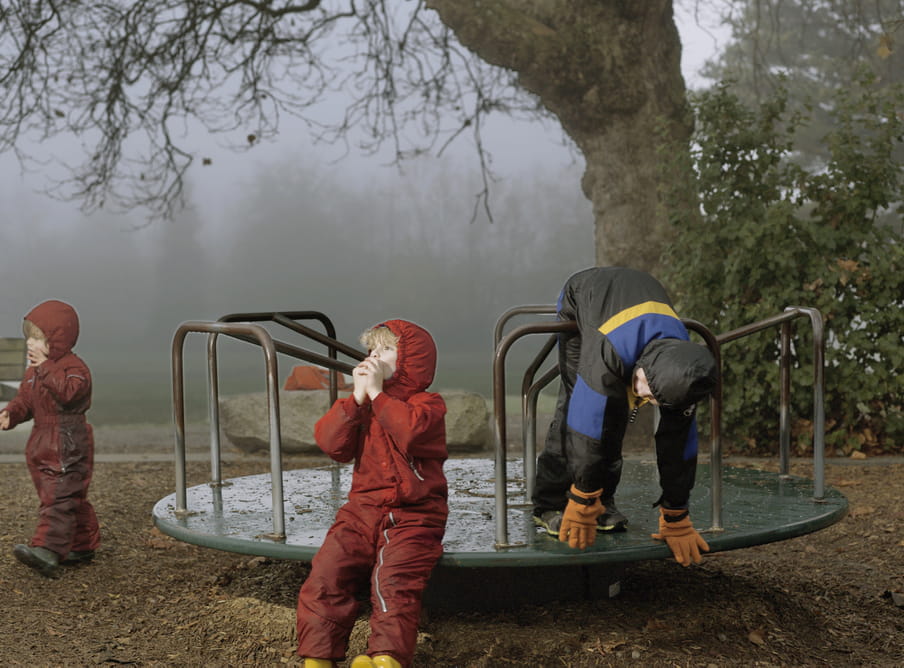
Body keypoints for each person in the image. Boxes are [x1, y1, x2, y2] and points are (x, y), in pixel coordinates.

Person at [532, 267, 718, 566]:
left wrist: (676, 513)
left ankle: (602, 498)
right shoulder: (611, 348)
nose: (646, 399)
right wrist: (581, 495)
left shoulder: (682, 368)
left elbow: (679, 443)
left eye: (654, 400)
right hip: (585, 294)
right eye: (647, 389)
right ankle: (549, 503)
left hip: (635, 304)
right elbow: (585, 425)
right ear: (645, 364)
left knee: (618, 408)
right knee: (578, 406)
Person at [296, 319, 448, 668]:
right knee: (327, 574)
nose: (374, 358)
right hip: (361, 510)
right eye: (372, 351)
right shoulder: (363, 406)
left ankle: (385, 657)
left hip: (415, 515)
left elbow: (410, 434)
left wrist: (378, 395)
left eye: (386, 350)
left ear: (411, 360)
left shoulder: (428, 405)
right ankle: (318, 657)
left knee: (393, 582)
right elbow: (332, 445)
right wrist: (356, 400)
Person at [0, 300, 100, 578]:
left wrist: (45, 367)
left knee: (58, 498)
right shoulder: (33, 371)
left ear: (57, 339)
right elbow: (25, 400)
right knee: (65, 496)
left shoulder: (74, 368)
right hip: (42, 439)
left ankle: (47, 549)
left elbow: (69, 393)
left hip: (68, 439)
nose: (30, 344)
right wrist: (11, 413)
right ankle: (81, 544)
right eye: (28, 337)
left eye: (38, 338)